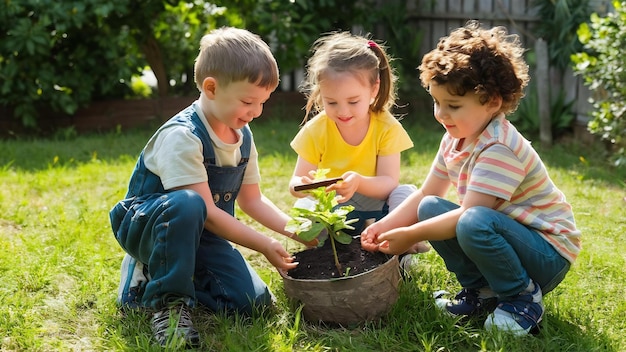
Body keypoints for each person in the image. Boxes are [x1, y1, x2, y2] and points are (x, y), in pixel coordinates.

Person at [361, 20, 581, 336]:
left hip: (546, 253)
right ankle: (482, 292)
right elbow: (426, 193)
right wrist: (386, 225)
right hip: (507, 241)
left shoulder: (500, 146)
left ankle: (522, 298)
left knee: (472, 221)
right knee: (430, 208)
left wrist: (409, 236)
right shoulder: (456, 137)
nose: (441, 114)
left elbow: (469, 216)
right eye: (437, 102)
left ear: (492, 101)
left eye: (453, 105)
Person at [109, 27, 309, 348]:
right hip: (151, 227)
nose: (256, 112)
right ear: (211, 88)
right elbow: (208, 213)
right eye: (248, 101)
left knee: (251, 304)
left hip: (203, 233)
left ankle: (180, 273)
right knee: (189, 203)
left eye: (262, 103)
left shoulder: (242, 135)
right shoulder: (183, 137)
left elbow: (252, 201)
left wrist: (299, 231)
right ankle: (165, 297)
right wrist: (264, 244)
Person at [288, 31, 429, 258]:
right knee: (303, 210)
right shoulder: (317, 129)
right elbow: (295, 183)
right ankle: (327, 254)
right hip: (335, 211)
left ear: (373, 90)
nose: (342, 111)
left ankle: (398, 252)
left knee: (406, 193)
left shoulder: (386, 127)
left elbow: (388, 183)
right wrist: (305, 186)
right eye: (331, 102)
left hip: (377, 208)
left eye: (353, 101)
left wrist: (358, 182)